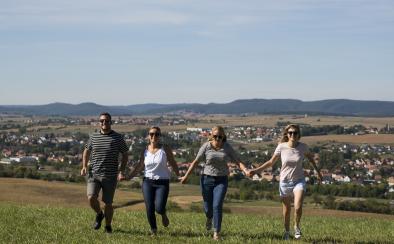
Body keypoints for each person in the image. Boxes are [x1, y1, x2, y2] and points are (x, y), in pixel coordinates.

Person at [248, 124, 322, 240]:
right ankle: (287, 232)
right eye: (290, 133)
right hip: (284, 182)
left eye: (295, 133)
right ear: (287, 134)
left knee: (297, 207)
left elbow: (311, 159)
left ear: (299, 135)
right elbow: (271, 162)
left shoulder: (303, 147)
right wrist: (256, 170)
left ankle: (297, 227)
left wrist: (318, 172)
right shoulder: (281, 147)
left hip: (299, 180)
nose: (293, 134)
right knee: (287, 210)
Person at [180, 126, 249, 241]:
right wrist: (186, 176)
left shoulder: (227, 147)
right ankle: (208, 217)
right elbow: (195, 162)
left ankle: (216, 232)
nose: (217, 139)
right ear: (211, 136)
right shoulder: (206, 146)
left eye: (220, 137)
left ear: (223, 137)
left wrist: (246, 170)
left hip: (221, 180)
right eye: (215, 136)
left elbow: (237, 160)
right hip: (206, 179)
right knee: (208, 207)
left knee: (217, 205)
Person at [80, 112, 129, 233]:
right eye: (102, 121)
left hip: (110, 175)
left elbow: (125, 154)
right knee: (91, 197)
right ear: (99, 122)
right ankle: (99, 214)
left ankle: (108, 226)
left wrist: (121, 171)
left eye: (106, 121)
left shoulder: (118, 138)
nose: (104, 123)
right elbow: (86, 151)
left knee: (108, 203)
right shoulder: (93, 136)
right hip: (94, 174)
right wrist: (84, 166)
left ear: (110, 122)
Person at [128, 126, 180, 236]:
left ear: (160, 136)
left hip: (162, 182)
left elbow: (172, 162)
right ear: (148, 136)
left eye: (157, 134)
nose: (154, 136)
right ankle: (154, 230)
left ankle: (163, 213)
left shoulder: (165, 149)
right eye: (151, 134)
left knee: (159, 208)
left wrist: (179, 174)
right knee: (149, 207)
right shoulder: (145, 151)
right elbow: (139, 166)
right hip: (147, 182)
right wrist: (129, 176)